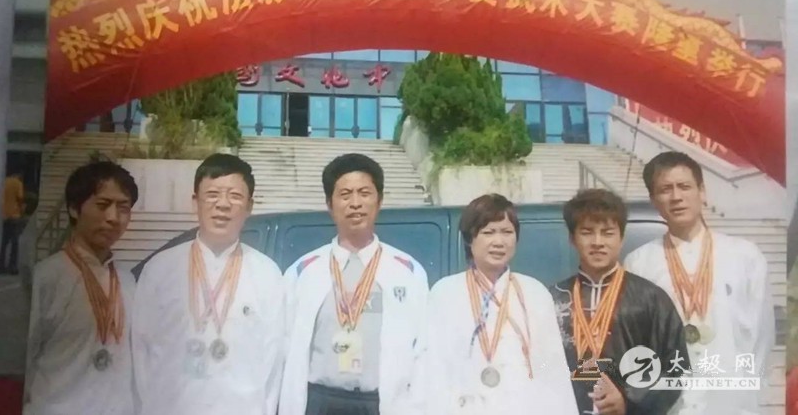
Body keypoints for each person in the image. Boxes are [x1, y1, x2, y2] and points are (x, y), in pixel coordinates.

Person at [131, 154, 284, 415]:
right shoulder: (160, 269)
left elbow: (273, 361)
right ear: (195, 202)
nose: (223, 204)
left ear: (249, 206)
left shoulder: (267, 273)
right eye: (212, 195)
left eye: (235, 196)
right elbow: (140, 352)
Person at [624, 151, 775, 414]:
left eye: (684, 186)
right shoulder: (639, 263)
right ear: (653, 200)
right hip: (669, 404)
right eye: (665, 190)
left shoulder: (745, 256)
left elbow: (762, 337)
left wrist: (748, 397)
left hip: (730, 403)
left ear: (702, 192)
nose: (676, 197)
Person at [279, 153, 429, 415]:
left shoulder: (408, 271)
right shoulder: (304, 271)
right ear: (330, 204)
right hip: (319, 401)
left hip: (380, 403)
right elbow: (283, 345)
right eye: (345, 194)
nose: (356, 203)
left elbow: (423, 351)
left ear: (379, 201)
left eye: (365, 193)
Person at [425, 194, 579, 414]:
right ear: (469, 238)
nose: (499, 242)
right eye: (488, 232)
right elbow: (433, 369)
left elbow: (550, 365)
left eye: (507, 232)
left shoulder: (534, 293)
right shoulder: (445, 293)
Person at [550, 188, 689, 415]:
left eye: (607, 233)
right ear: (572, 239)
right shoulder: (553, 298)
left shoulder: (650, 298)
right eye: (587, 232)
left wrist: (629, 399)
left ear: (621, 238)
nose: (598, 242)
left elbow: (676, 368)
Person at [24, 160, 138, 415]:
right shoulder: (45, 278)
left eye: (123, 208)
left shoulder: (128, 281)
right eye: (102, 205)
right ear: (74, 209)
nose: (113, 218)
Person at [0, 168, 25, 274]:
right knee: (15, 243)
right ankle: (12, 266)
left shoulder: (4, 182)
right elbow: (20, 198)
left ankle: (1, 265)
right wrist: (22, 209)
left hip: (4, 215)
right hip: (15, 216)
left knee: (4, 242)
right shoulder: (18, 183)